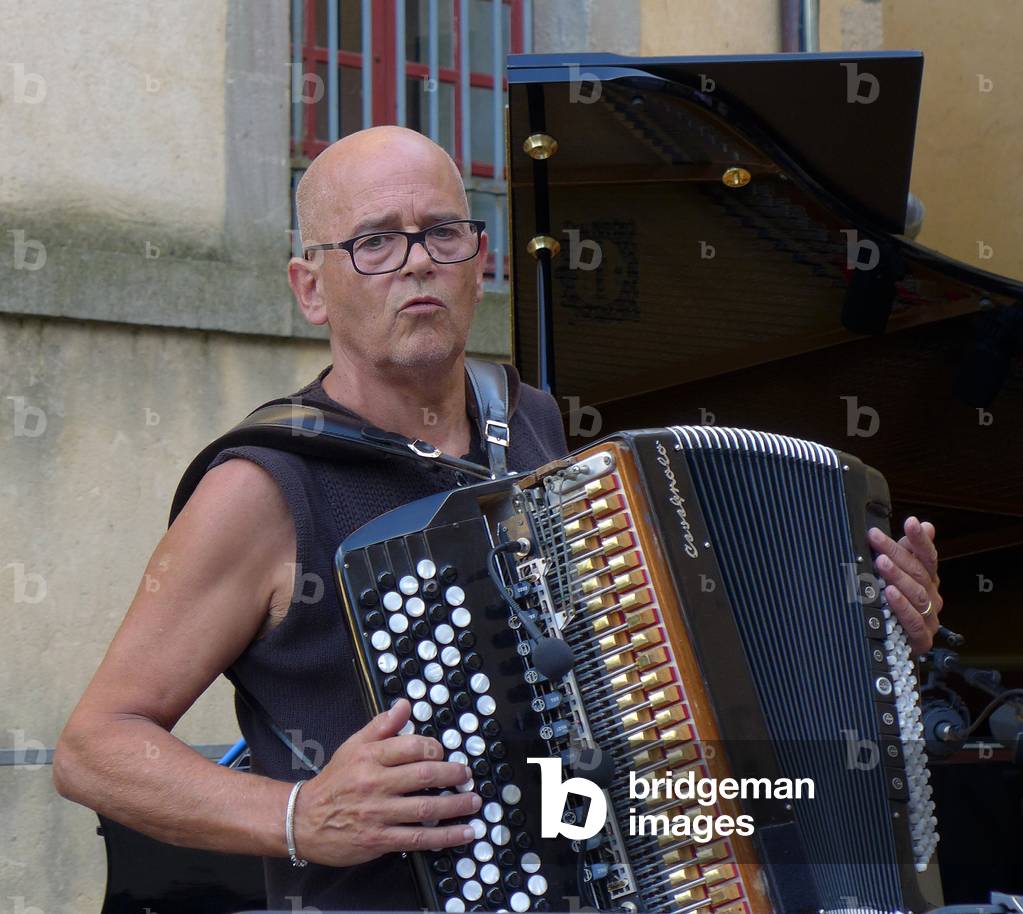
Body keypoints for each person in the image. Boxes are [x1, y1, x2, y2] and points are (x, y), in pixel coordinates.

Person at [53, 126, 945, 911]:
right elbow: (95, 746)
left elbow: (650, 661)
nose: (415, 261)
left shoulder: (528, 421)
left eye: (441, 231)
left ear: (481, 258)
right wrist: (297, 813)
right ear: (310, 286)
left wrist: (862, 623)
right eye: (372, 242)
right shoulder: (264, 486)